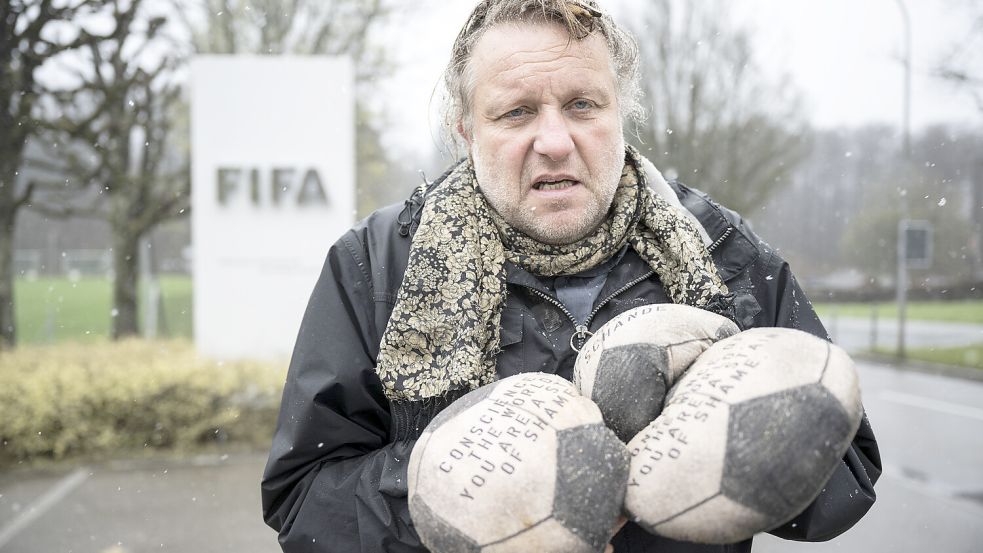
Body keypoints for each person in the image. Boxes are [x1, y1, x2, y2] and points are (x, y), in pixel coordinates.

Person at [261, 1, 881, 551]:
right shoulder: (375, 265)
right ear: (468, 132)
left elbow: (846, 484)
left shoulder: (726, 254)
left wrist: (745, 435)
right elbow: (304, 503)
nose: (554, 141)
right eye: (516, 112)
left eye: (582, 105)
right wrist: (465, 492)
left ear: (620, 114)